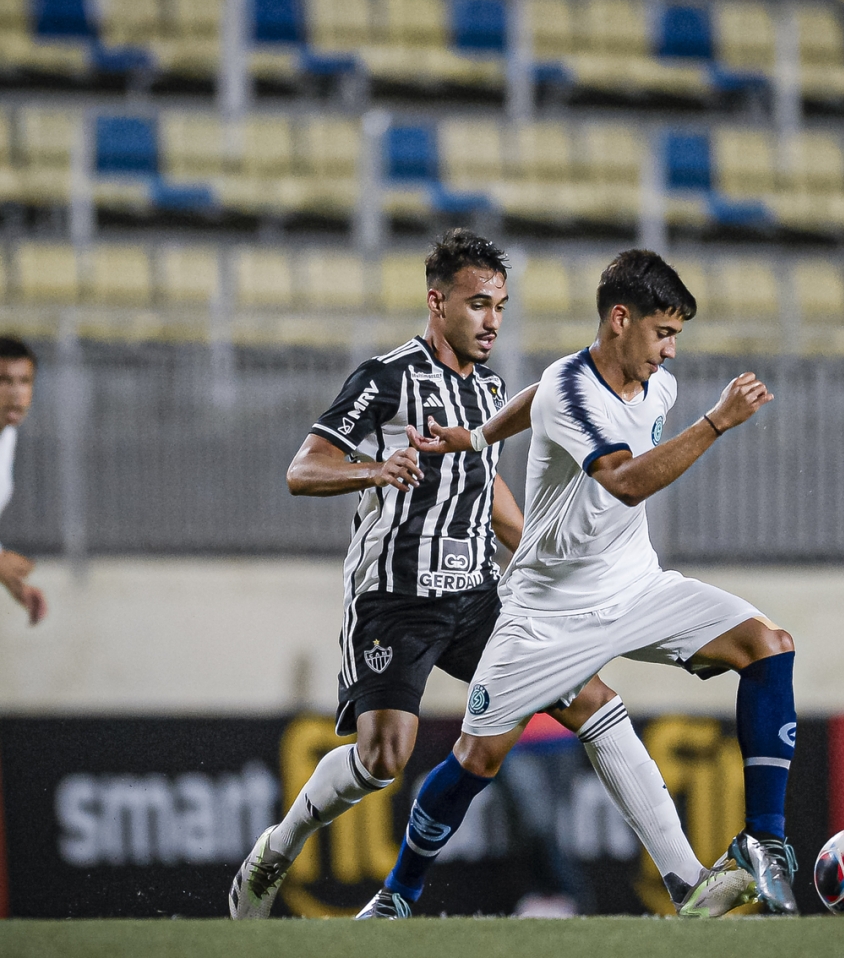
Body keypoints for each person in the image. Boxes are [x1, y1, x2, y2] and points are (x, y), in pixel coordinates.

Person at [230, 231, 750, 921]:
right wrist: (373, 470)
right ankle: (278, 847)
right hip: (397, 599)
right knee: (384, 758)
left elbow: (490, 492)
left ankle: (687, 879)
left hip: (478, 596)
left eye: (499, 306)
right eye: (478, 305)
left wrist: (538, 554)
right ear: (437, 302)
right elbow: (304, 468)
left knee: (590, 697)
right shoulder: (385, 378)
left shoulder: (495, 392)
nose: (492, 320)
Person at [379, 249, 800, 915]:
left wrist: (478, 436)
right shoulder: (576, 390)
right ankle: (398, 893)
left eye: (676, 338)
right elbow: (626, 481)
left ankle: (763, 844)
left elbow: (531, 398)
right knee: (477, 759)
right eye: (662, 334)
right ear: (620, 320)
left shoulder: (655, 384)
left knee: (769, 645)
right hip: (548, 610)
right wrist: (716, 422)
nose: (668, 352)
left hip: (636, 585)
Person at [0, 337, 46, 626]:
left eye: (24, 381)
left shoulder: (8, 435)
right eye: (4, 380)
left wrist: (14, 584)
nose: (16, 393)